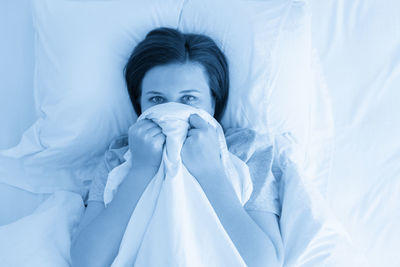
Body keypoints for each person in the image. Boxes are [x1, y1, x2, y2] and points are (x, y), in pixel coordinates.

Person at [71, 27, 283, 267]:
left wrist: (210, 173)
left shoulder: (247, 150)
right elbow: (86, 261)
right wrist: (141, 171)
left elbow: (265, 262)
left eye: (189, 99)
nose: (172, 110)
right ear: (139, 103)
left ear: (213, 100)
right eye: (157, 100)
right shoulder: (119, 156)